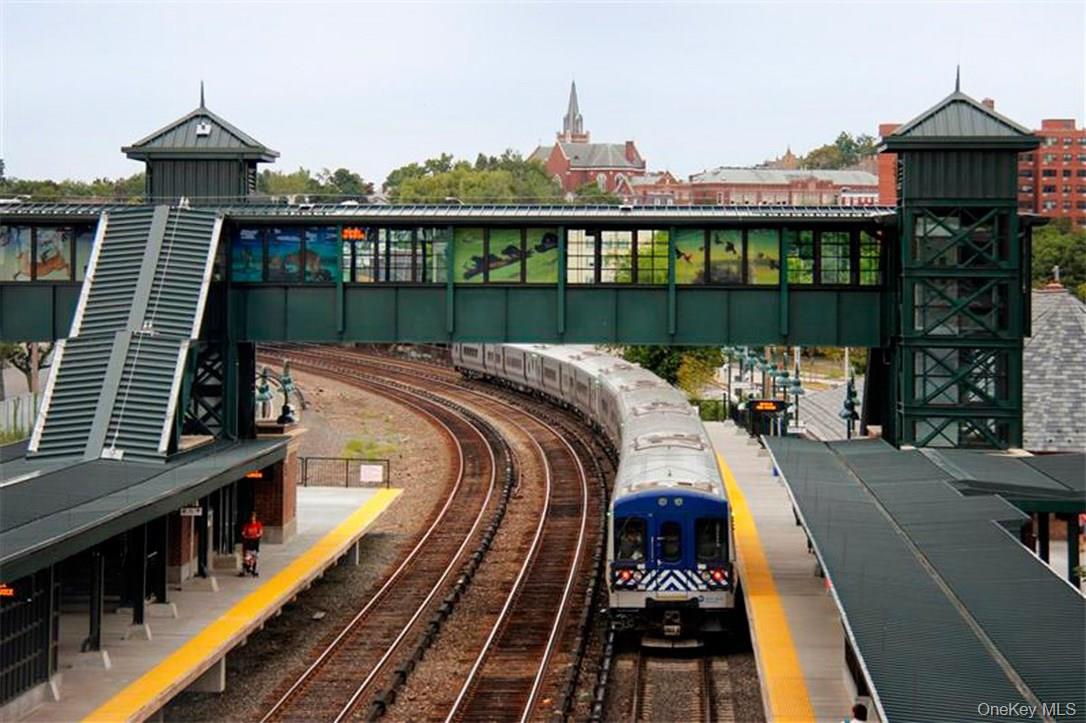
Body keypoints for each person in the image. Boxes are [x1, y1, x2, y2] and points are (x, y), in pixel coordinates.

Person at [241, 512, 264, 577]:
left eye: (253, 517)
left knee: (254, 556)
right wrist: (245, 536)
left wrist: (258, 535)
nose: (252, 519)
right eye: (251, 517)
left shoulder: (258, 524)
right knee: (247, 557)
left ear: (255, 518)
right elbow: (243, 533)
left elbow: (260, 532)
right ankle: (246, 567)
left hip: (255, 542)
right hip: (248, 542)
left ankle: (253, 569)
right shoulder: (247, 525)